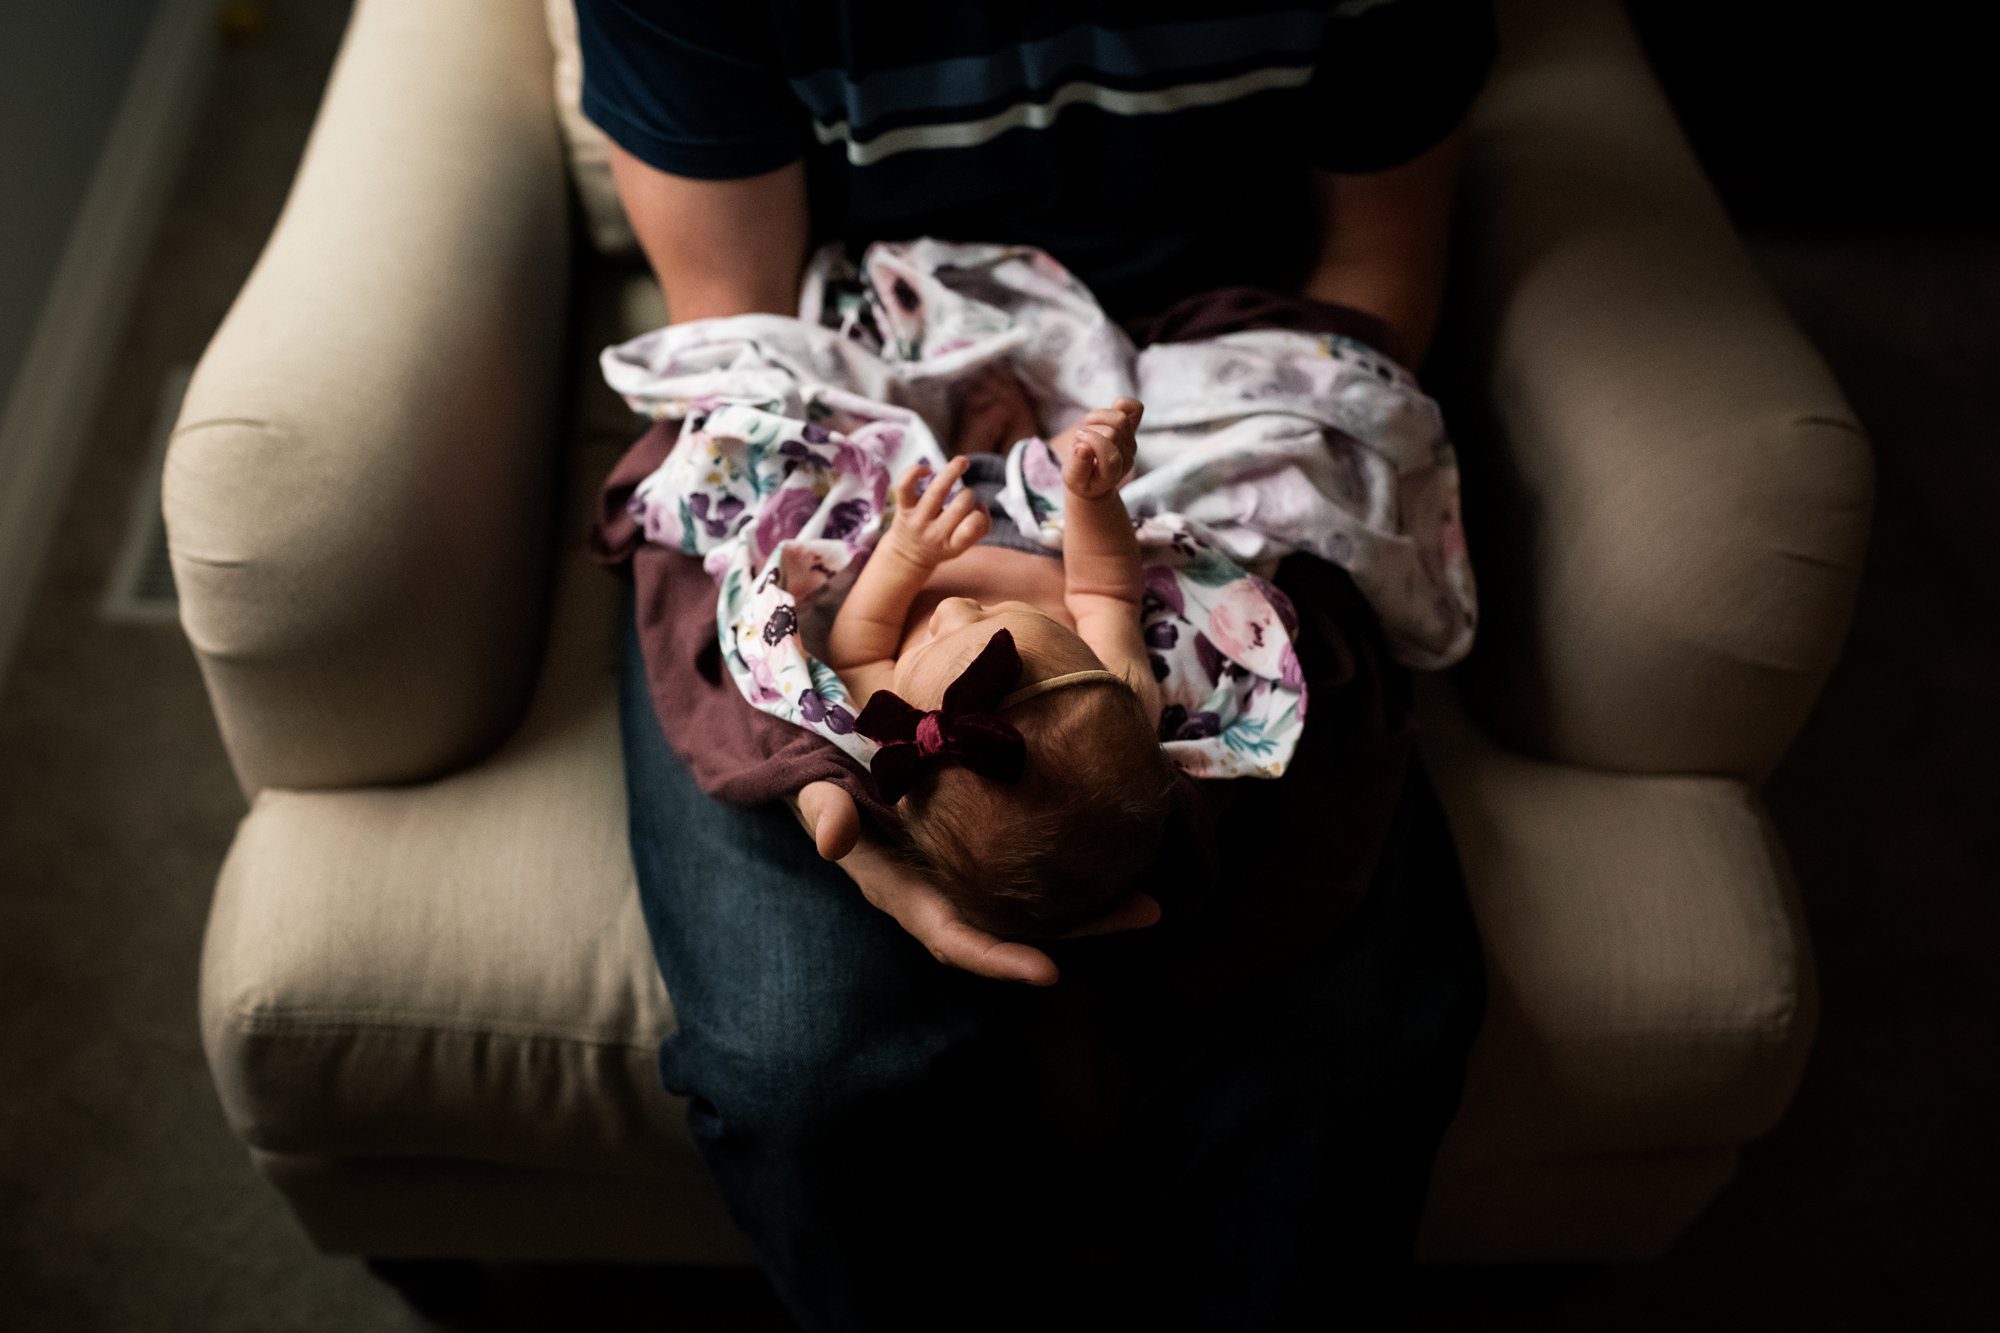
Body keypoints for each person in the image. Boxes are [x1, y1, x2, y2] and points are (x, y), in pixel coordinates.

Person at [579, 1, 1498, 1327]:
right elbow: (746, 347)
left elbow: (1373, 272)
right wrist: (838, 761)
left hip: (1201, 373)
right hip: (872, 383)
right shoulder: (971, 689)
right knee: (802, 1065)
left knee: (1344, 1045)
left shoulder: (1090, 679)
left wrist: (1105, 509)